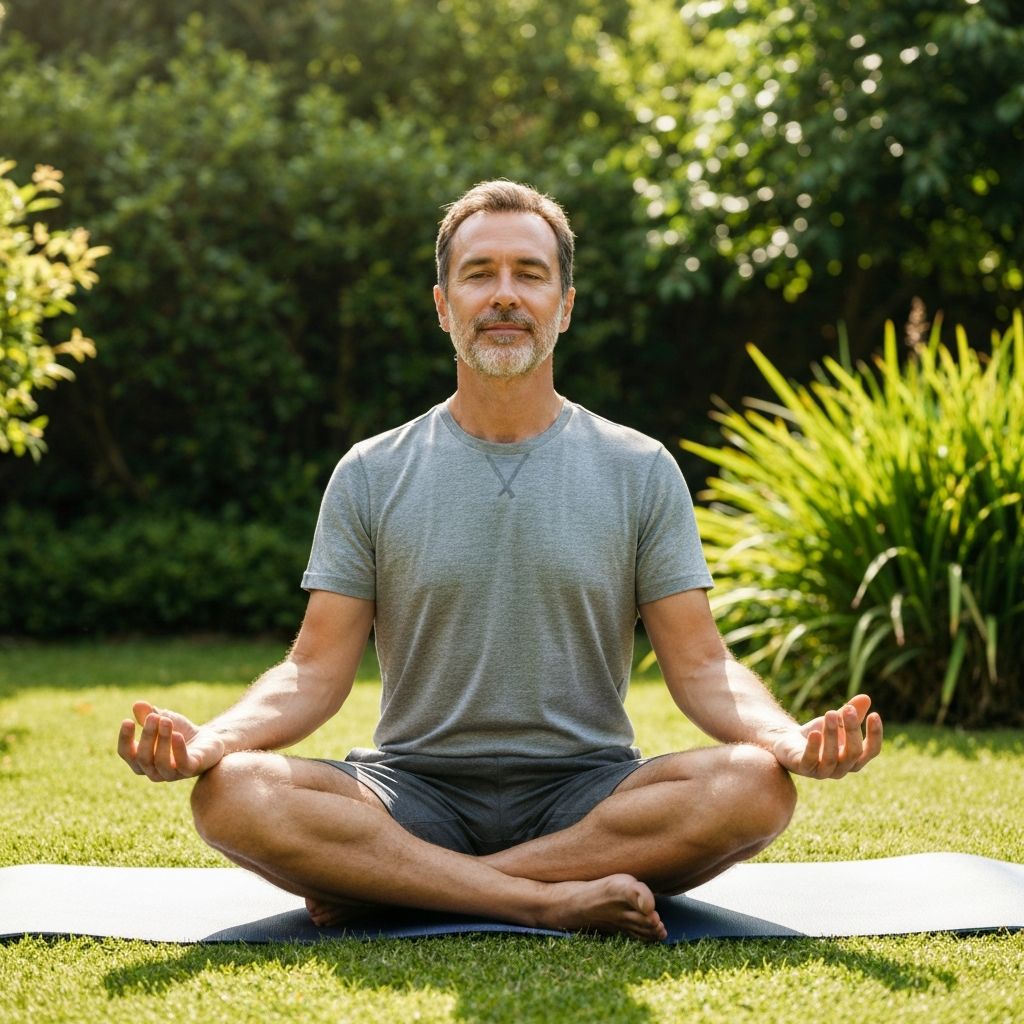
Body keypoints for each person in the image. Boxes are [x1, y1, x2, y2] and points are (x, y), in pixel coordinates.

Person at [119, 179, 883, 942]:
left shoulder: (640, 467)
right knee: (231, 795)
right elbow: (314, 671)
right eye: (480, 274)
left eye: (530, 273)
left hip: (590, 796)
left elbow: (702, 665)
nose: (505, 295)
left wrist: (784, 739)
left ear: (566, 304)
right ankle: (544, 899)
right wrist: (212, 742)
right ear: (444, 305)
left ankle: (410, 886)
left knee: (754, 787)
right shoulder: (371, 471)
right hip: (410, 794)